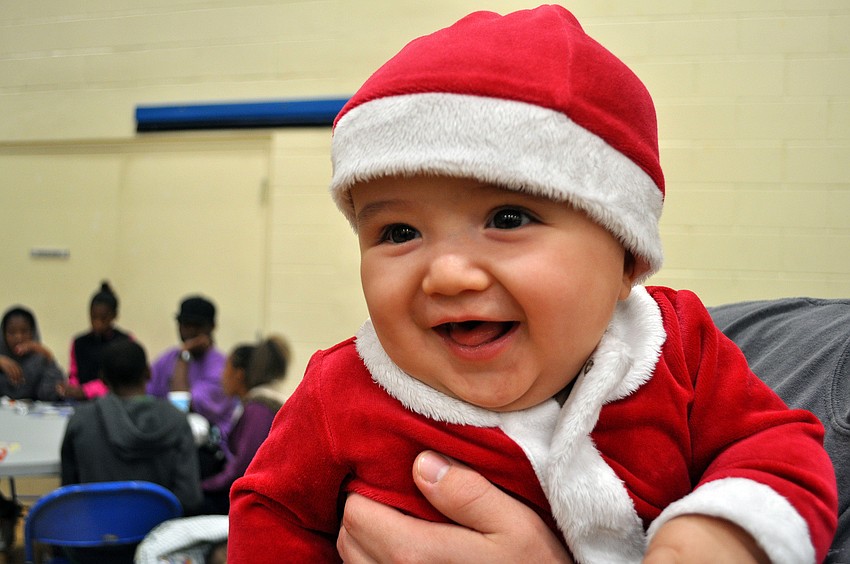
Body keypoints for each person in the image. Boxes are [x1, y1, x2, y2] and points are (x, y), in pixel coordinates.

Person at [228, 6, 838, 563]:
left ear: (628, 258)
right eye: (398, 231)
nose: (446, 273)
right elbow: (269, 512)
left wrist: (721, 532)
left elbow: (778, 445)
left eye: (508, 219)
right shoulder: (342, 394)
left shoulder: (678, 349)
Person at [60, 339, 202, 514]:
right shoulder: (177, 420)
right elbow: (190, 498)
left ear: (102, 378)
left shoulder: (81, 421)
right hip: (161, 535)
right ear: (149, 373)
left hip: (96, 533)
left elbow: (67, 495)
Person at [200, 336, 289, 514]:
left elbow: (243, 468)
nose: (221, 375)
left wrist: (202, 487)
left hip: (261, 502)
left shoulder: (259, 409)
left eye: (226, 368)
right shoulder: (254, 406)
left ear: (239, 374)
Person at [146, 295, 238, 439]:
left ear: (212, 326)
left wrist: (184, 356)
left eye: (197, 325)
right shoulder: (168, 358)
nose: (190, 331)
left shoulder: (220, 366)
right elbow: (146, 396)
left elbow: (181, 407)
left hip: (209, 451)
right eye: (185, 324)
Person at [59, 280, 131, 401]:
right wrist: (70, 388)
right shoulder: (79, 342)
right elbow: (73, 374)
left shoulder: (125, 342)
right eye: (93, 318)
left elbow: (124, 381)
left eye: (103, 318)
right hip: (82, 402)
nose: (97, 323)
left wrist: (87, 391)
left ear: (114, 315)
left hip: (115, 403)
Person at [0, 305, 63, 401]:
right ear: (3, 334)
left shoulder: (39, 359)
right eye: (11, 332)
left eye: (24, 331)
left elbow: (52, 395)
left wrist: (48, 357)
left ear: (33, 332)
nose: (18, 337)